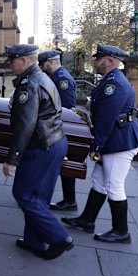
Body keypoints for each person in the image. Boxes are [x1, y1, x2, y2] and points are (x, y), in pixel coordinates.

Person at [62, 44, 138, 244]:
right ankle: (87, 220)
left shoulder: (114, 85)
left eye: (99, 59)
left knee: (114, 186)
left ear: (110, 62)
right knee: (99, 181)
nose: (95, 62)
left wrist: (95, 146)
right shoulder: (110, 80)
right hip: (113, 139)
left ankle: (121, 231)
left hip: (119, 142)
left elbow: (106, 119)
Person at [2, 44, 73, 260]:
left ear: (24, 61)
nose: (10, 65)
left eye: (12, 60)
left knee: (23, 194)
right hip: (55, 142)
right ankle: (35, 241)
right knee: (39, 197)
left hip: (40, 146)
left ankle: (60, 237)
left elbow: (25, 126)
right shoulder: (42, 78)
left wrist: (12, 160)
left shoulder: (29, 85)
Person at [38, 49, 78, 212]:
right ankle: (69, 200)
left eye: (43, 64)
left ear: (50, 62)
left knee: (64, 165)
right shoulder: (55, 77)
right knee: (63, 166)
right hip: (55, 127)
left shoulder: (62, 80)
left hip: (60, 128)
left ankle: (69, 201)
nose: (41, 67)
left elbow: (66, 108)